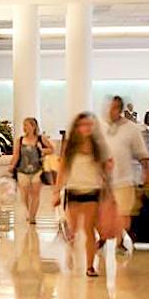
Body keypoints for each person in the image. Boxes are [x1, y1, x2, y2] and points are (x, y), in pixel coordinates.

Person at [57, 111, 114, 276]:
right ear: (77, 127)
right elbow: (63, 168)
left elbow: (106, 168)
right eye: (83, 125)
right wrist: (56, 190)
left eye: (90, 125)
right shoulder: (70, 146)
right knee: (74, 230)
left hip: (92, 190)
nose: (87, 128)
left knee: (89, 230)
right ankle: (71, 250)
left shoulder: (98, 145)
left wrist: (108, 173)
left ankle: (90, 266)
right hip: (73, 190)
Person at [103, 96, 149, 253]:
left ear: (120, 109)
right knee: (104, 212)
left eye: (114, 108)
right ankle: (103, 237)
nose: (111, 111)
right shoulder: (100, 127)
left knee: (123, 213)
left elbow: (142, 153)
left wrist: (147, 174)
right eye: (109, 108)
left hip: (124, 179)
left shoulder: (131, 128)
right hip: (103, 180)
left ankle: (119, 241)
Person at [8, 116, 51, 226]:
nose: (24, 128)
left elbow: (51, 149)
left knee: (35, 194)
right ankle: (28, 211)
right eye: (24, 125)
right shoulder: (20, 140)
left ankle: (32, 216)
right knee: (25, 195)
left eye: (26, 125)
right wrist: (12, 165)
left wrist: (42, 149)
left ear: (33, 127)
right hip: (22, 170)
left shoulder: (41, 139)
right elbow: (16, 154)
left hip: (38, 170)